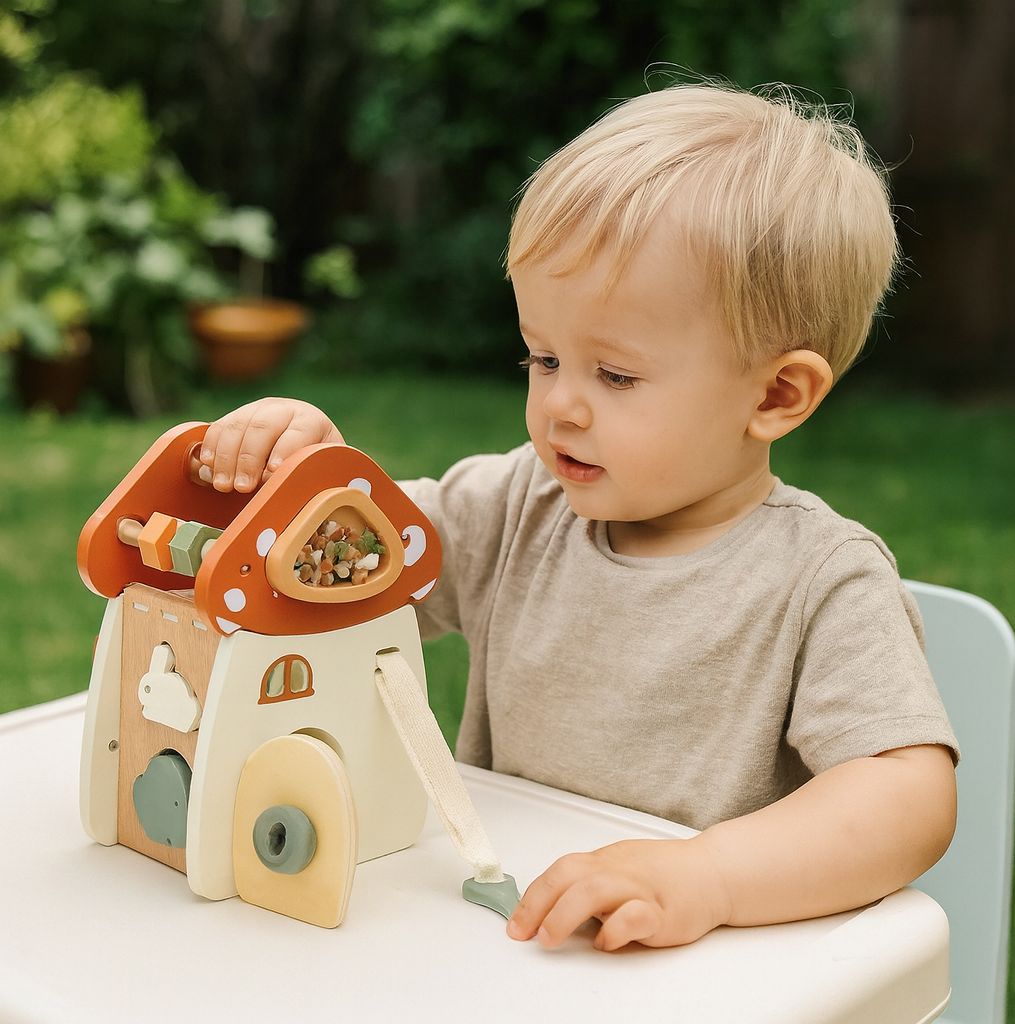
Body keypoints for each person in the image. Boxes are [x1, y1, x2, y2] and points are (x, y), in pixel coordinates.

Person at [199, 82, 958, 953]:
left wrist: (708, 876)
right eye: (543, 356)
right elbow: (366, 563)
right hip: (512, 938)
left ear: (777, 394)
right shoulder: (521, 503)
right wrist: (313, 486)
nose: (560, 405)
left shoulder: (823, 580)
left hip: (703, 975)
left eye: (616, 376)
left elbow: (908, 797)